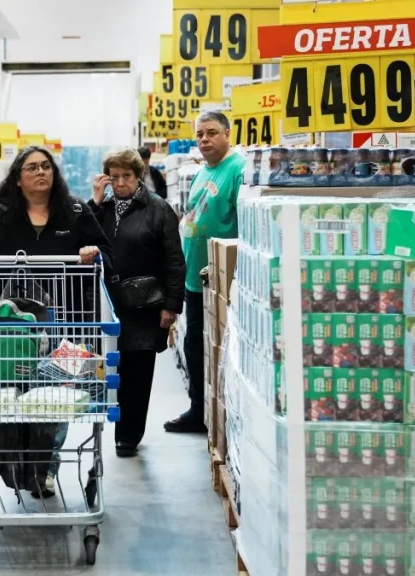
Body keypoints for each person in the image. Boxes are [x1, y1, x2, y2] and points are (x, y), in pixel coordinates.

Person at [0, 146, 113, 496]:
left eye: (47, 166)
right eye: (32, 167)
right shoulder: (1, 210)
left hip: (66, 322)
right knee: (11, 393)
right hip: (11, 323)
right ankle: (9, 467)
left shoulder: (76, 210)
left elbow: (105, 251)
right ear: (18, 178)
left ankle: (44, 470)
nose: (42, 173)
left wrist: (92, 252)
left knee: (55, 396)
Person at [89, 149, 185, 457]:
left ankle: (128, 435)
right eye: (113, 177)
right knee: (112, 369)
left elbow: (174, 261)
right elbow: (81, 237)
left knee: (138, 370)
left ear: (138, 175)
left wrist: (171, 306)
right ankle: (116, 426)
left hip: (145, 304)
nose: (119, 183)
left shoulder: (159, 210)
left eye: (125, 176)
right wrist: (94, 200)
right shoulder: (100, 210)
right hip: (107, 302)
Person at [165, 111, 244, 434]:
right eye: (199, 134)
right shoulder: (203, 172)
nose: (204, 140)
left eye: (211, 133)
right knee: (196, 347)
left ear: (227, 133)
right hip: (195, 279)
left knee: (215, 348)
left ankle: (211, 413)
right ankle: (200, 408)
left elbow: (245, 226)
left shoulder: (237, 169)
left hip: (220, 280)